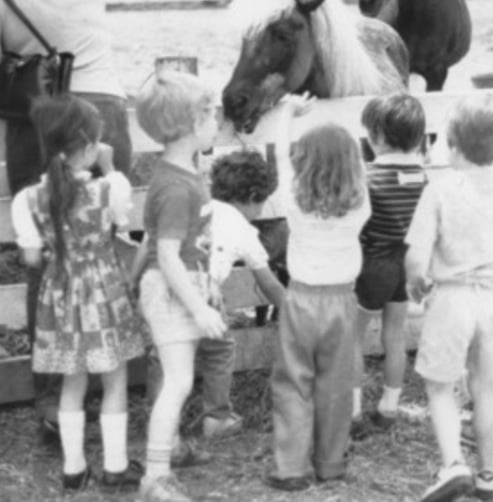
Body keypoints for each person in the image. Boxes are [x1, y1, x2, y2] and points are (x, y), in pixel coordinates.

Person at [0, 0, 186, 437]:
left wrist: (2, 86)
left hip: (40, 121)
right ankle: (119, 374)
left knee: (50, 256)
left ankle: (50, 398)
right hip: (103, 114)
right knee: (109, 247)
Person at [10, 95, 145, 492]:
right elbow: (120, 224)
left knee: (72, 383)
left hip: (61, 296)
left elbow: (32, 258)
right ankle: (116, 466)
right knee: (115, 380)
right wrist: (109, 167)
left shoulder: (27, 199)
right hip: (105, 293)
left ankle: (73, 469)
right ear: (89, 146)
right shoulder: (111, 188)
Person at [406, 93, 493, 501]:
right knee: (485, 386)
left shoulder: (439, 190)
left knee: (441, 387)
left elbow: (417, 253)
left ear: (452, 143)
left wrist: (415, 281)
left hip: (452, 298)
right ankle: (488, 471)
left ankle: (453, 463)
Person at [141, 147, 289, 452]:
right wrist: (294, 308)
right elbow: (268, 283)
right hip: (199, 292)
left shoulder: (197, 204)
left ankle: (161, 420)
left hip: (165, 285)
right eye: (262, 203)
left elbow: (152, 243)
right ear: (250, 196)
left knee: (163, 356)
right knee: (220, 350)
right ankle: (217, 416)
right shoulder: (242, 228)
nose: (261, 211)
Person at [263, 93, 371, 491]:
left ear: (303, 162)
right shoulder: (361, 205)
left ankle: (290, 467)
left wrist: (288, 114)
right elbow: (356, 170)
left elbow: (279, 157)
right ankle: (330, 463)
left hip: (301, 300)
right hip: (343, 301)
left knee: (293, 381)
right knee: (336, 384)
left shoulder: (294, 199)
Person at [134, 71, 227, 502]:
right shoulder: (175, 187)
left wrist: (206, 287)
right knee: (177, 382)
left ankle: (166, 450)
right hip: (173, 290)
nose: (217, 124)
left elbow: (156, 241)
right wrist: (200, 308)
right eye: (212, 116)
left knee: (179, 378)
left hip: (181, 285)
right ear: (193, 124)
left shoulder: (181, 171)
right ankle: (155, 477)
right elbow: (166, 255)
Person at [350, 93, 428, 440]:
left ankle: (351, 411)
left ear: (378, 136)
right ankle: (389, 406)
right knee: (394, 335)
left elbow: (356, 224)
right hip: (407, 266)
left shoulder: (368, 178)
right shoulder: (424, 180)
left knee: (353, 337)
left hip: (373, 264)